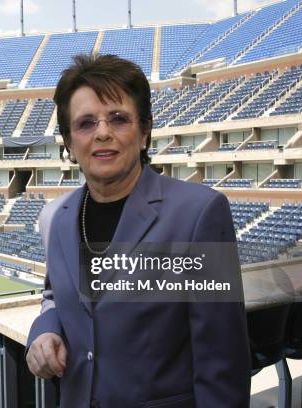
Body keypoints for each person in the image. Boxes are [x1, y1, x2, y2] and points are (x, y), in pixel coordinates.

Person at [26, 54, 251, 408]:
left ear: (144, 131)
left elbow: (222, 362)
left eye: (118, 118)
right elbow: (58, 296)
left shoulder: (199, 214)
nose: (102, 132)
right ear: (69, 143)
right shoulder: (56, 217)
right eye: (85, 123)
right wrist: (45, 329)